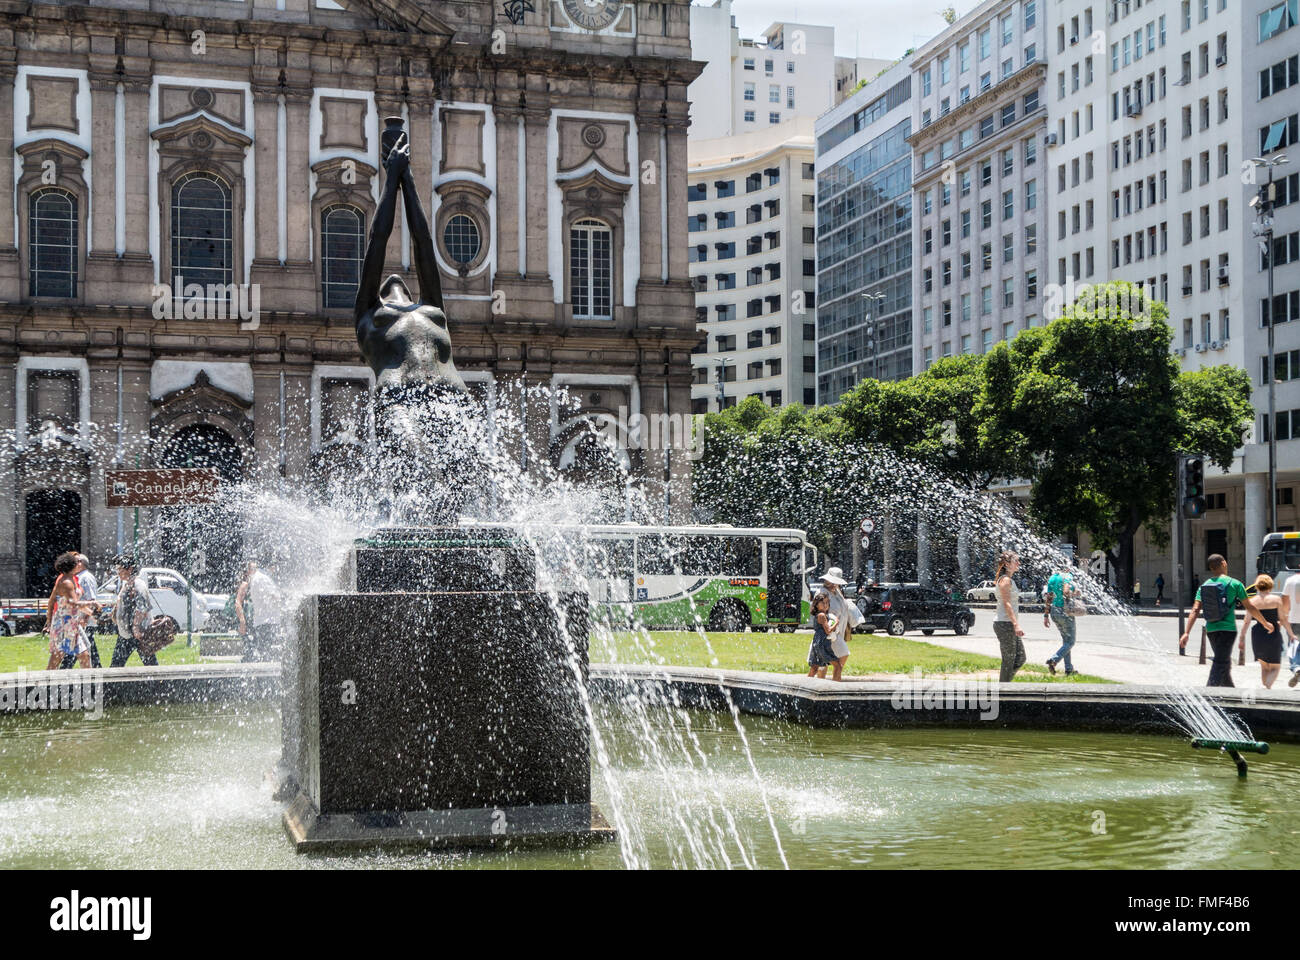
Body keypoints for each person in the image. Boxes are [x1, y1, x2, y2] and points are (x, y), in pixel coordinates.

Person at [1180, 554, 1274, 687]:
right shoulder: (1235, 584)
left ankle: (1230, 694)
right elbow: (1250, 607)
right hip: (1227, 630)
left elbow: (1195, 610)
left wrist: (1187, 632)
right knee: (1220, 663)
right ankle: (1209, 696)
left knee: (1223, 662)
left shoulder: (1204, 586)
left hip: (1211, 630)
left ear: (1211, 568)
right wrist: (1265, 623)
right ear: (1223, 563)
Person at [1237, 574, 1295, 689]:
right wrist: (1291, 634)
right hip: (1273, 635)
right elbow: (1283, 619)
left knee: (1264, 667)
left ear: (1257, 586)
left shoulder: (1252, 601)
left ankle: (1265, 688)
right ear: (1270, 586)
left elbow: (1246, 622)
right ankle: (1267, 687)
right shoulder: (1276, 600)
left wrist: (1242, 638)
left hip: (1257, 635)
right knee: (1275, 667)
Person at [44, 552, 97, 671]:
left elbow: (52, 601)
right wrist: (92, 604)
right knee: (57, 657)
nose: (80, 563)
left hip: (72, 623)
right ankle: (45, 682)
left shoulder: (72, 579)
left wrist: (91, 613)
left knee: (84, 655)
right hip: (64, 624)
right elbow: (74, 603)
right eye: (77, 562)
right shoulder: (66, 582)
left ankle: (90, 683)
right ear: (72, 566)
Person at [110, 555, 158, 668]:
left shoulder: (138, 584)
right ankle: (111, 685)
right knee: (116, 665)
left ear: (130, 569)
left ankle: (160, 683)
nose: (118, 572)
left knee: (150, 665)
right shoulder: (127, 583)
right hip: (126, 633)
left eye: (120, 569)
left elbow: (142, 608)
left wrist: (136, 627)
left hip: (138, 633)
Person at [57, 554, 102, 669]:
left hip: (82, 620)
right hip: (77, 620)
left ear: (80, 563)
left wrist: (85, 619)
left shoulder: (85, 577)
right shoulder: (76, 578)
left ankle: (63, 672)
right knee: (86, 649)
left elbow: (91, 598)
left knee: (80, 649)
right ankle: (97, 673)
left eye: (75, 561)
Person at [819, 567, 862, 682]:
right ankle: (826, 686)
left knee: (824, 662)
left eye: (836, 583)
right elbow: (819, 612)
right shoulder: (822, 592)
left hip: (838, 631)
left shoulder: (837, 591)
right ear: (827, 580)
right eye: (832, 582)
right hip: (828, 632)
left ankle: (826, 685)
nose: (834, 585)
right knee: (837, 658)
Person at [236, 560, 284, 662]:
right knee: (253, 647)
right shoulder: (246, 584)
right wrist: (242, 621)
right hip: (248, 618)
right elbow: (238, 603)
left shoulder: (257, 582)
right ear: (247, 571)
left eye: (255, 569)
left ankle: (254, 662)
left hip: (256, 618)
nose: (255, 571)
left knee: (259, 647)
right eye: (252, 569)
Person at [992, 551, 1026, 682]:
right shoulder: (1005, 580)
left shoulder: (1009, 580)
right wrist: (1016, 624)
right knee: (1009, 660)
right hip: (1004, 624)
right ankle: (1003, 692)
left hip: (1008, 624)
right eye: (1015, 561)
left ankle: (1005, 686)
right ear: (1007, 564)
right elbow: (1007, 603)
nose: (1018, 563)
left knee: (1020, 658)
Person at [1043, 565, 1079, 676]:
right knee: (1071, 642)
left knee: (1066, 642)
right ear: (1067, 569)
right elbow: (1066, 591)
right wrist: (1073, 594)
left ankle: (1068, 669)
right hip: (1065, 612)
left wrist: (1046, 615)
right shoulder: (1067, 576)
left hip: (1054, 611)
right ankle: (1054, 660)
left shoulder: (1052, 578)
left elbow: (1049, 597)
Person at [805, 592, 837, 679]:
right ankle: (836, 688)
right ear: (816, 605)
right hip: (822, 644)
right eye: (823, 603)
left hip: (817, 642)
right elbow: (828, 631)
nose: (825, 605)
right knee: (837, 665)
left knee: (815, 667)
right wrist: (836, 622)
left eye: (827, 603)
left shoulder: (821, 615)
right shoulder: (822, 615)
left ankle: (804, 684)